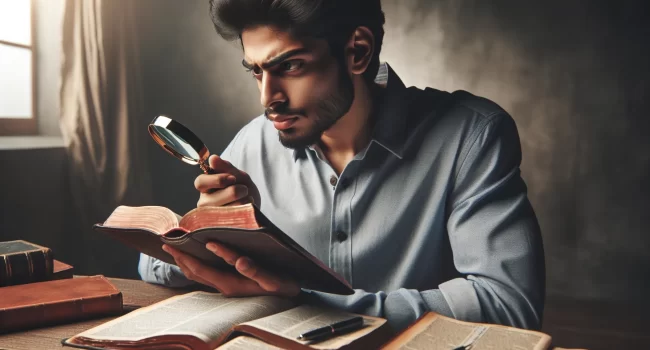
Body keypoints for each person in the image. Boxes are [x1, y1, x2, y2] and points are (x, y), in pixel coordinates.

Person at [139, 0, 545, 333]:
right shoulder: (257, 139)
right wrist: (208, 226)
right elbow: (153, 268)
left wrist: (306, 301)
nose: (268, 99)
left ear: (358, 51)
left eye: (290, 67)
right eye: (257, 71)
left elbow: (509, 305)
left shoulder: (471, 135)